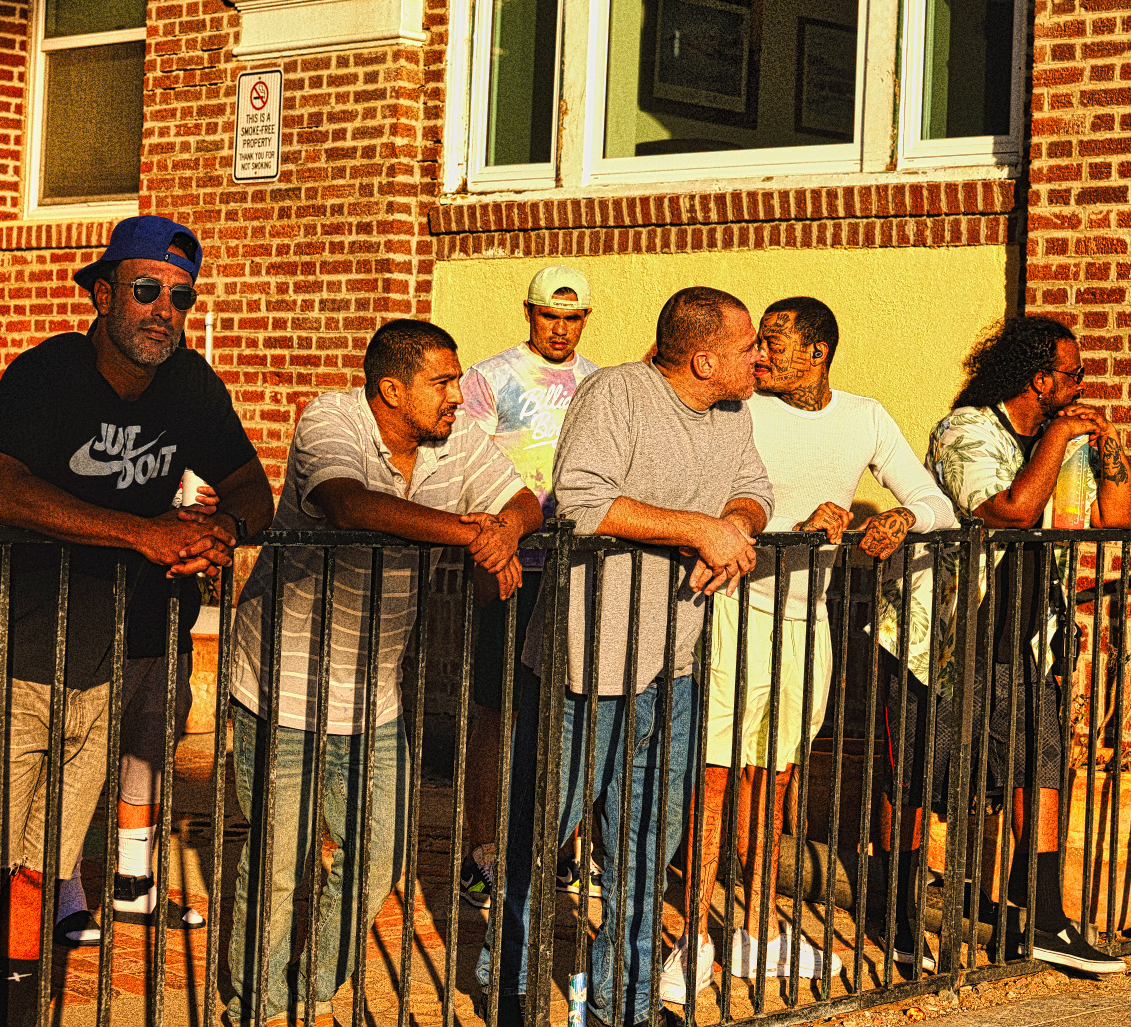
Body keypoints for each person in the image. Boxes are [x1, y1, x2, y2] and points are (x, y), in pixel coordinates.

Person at [0, 215, 274, 1024]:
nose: (165, 310)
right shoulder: (48, 372)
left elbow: (253, 489)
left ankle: (18, 1008)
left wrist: (220, 529)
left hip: (98, 661)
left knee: (40, 866)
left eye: (181, 297)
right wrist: (143, 532)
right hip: (3, 653)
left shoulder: (190, 384)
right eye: (146, 289)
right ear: (102, 294)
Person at [225, 319, 540, 1027]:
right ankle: (256, 1004)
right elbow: (347, 504)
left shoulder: (454, 437)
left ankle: (311, 989)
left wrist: (506, 530)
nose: (457, 395)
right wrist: (473, 535)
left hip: (374, 694)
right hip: (283, 683)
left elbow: (521, 499)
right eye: (442, 381)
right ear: (391, 390)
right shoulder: (331, 419)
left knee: (375, 858)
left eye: (457, 379)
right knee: (279, 866)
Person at [482, 286, 773, 1027]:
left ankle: (629, 1002)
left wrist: (734, 527)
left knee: (649, 840)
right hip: (587, 659)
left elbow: (754, 490)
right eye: (748, 347)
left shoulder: (733, 413)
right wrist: (698, 530)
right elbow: (581, 499)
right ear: (703, 358)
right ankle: (509, 981)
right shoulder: (617, 394)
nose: (761, 357)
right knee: (543, 829)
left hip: (674, 662)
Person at [666, 296, 958, 1002]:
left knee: (776, 779)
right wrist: (796, 525)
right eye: (757, 342)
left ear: (817, 352)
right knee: (714, 778)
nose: (759, 354)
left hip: (807, 621)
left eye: (774, 341)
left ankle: (760, 931)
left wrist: (900, 518)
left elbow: (938, 505)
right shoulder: (740, 410)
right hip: (732, 610)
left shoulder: (864, 417)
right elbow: (705, 503)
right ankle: (692, 939)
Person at [884, 316, 1131, 976]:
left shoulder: (1068, 443)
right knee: (919, 777)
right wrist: (1056, 439)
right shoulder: (965, 430)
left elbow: (1118, 518)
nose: (1082, 386)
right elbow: (1007, 510)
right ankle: (900, 916)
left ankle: (1046, 922)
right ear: (1040, 379)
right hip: (943, 638)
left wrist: (1107, 448)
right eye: (1074, 374)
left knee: (1040, 767)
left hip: (1024, 639)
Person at [454, 264, 603, 911]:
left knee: (573, 709)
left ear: (585, 320)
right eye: (550, 315)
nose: (560, 329)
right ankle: (482, 853)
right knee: (498, 709)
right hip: (513, 564)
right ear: (529, 312)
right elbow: (463, 465)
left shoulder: (600, 382)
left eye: (572, 318)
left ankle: (562, 848)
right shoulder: (489, 378)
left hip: (579, 568)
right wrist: (488, 551)